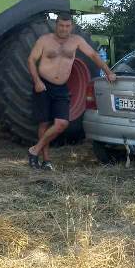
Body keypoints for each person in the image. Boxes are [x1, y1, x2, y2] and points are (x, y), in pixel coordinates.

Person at [27, 12, 116, 170]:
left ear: (72, 27)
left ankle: (35, 149)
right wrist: (37, 81)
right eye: (61, 25)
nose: (64, 29)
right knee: (44, 123)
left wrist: (108, 71)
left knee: (62, 123)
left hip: (61, 88)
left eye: (67, 26)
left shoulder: (76, 41)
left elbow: (94, 55)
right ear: (57, 25)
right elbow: (31, 60)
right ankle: (46, 160)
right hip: (43, 85)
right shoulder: (45, 40)